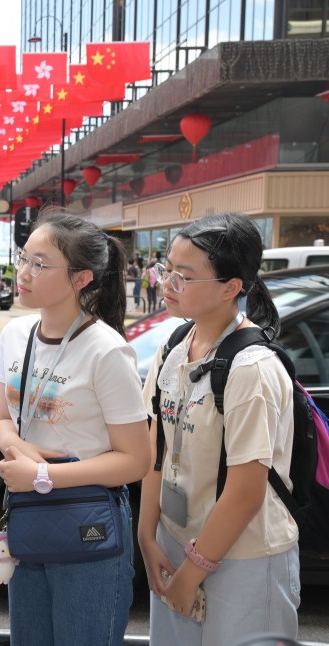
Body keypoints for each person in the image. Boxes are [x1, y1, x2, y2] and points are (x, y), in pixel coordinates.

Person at [138, 214, 299, 644]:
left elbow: (246, 491)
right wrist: (147, 535)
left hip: (243, 557)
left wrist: (193, 573)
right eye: (166, 267)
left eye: (184, 276)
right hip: (175, 541)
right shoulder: (173, 346)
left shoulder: (253, 370)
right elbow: (155, 444)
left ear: (231, 288)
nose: (167, 282)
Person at [0, 214, 150, 645]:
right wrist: (17, 448)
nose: (23, 273)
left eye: (40, 264)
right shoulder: (16, 334)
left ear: (81, 277)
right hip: (28, 514)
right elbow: (6, 418)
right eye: (23, 258)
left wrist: (42, 476)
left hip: (87, 522)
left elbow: (136, 460)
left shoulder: (106, 350)